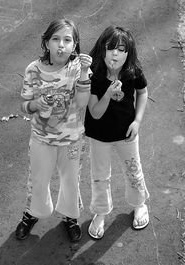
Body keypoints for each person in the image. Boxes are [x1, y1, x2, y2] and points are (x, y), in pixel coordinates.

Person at [15, 18, 92, 242]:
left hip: (72, 139)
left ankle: (70, 216)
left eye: (67, 40)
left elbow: (82, 102)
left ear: (75, 45)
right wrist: (35, 105)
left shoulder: (79, 68)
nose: (61, 45)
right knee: (38, 179)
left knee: (71, 180)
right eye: (55, 39)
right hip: (41, 138)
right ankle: (32, 214)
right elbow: (24, 104)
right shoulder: (33, 70)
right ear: (46, 43)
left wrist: (85, 72)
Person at [84, 25, 150, 239]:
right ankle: (100, 213)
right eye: (111, 47)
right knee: (100, 177)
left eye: (121, 49)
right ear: (102, 49)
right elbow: (94, 113)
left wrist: (137, 121)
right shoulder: (94, 74)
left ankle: (139, 204)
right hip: (99, 135)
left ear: (128, 53)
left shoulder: (132, 70)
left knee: (134, 171)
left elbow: (142, 92)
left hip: (126, 133)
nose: (115, 53)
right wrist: (108, 93)